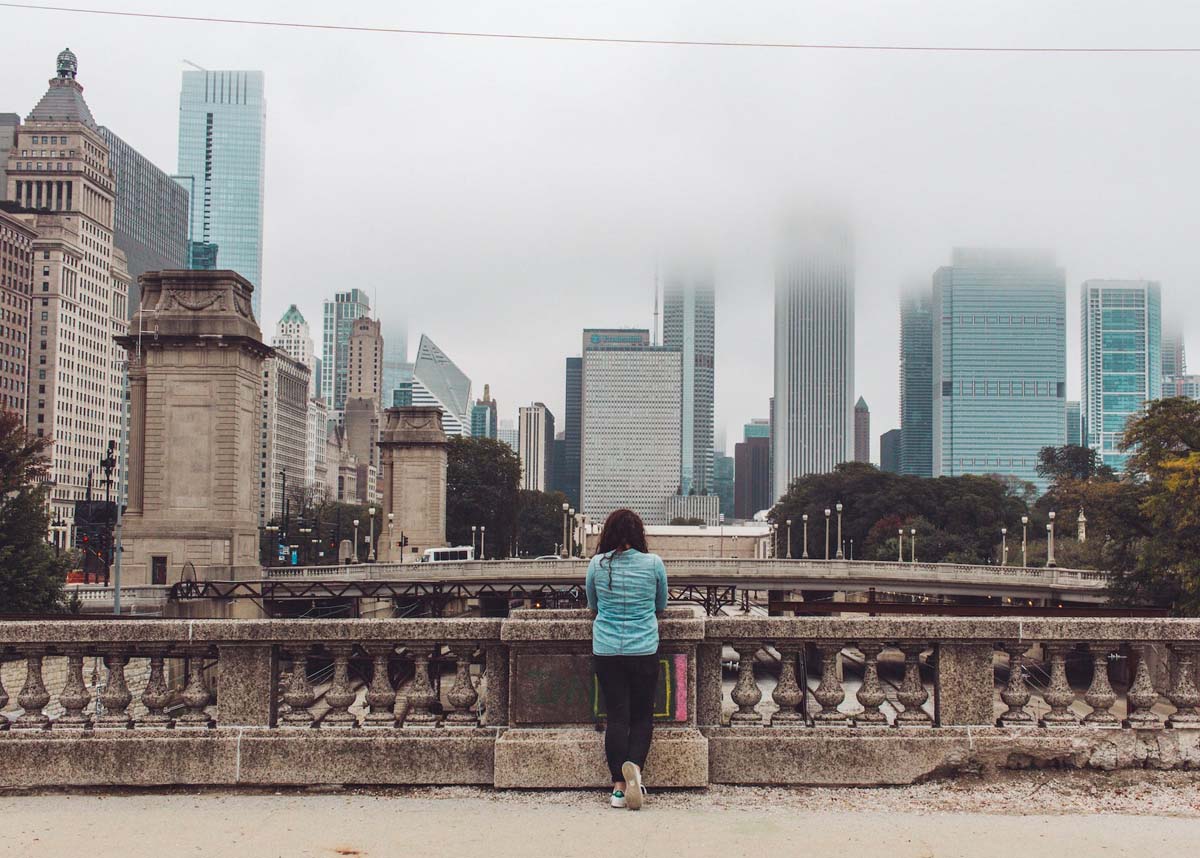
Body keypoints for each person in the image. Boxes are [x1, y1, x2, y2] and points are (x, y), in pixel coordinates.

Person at [585, 508, 668, 810]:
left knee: (616, 717)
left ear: (608, 533)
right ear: (638, 534)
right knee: (642, 716)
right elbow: (661, 605)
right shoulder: (654, 564)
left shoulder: (596, 564)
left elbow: (592, 605)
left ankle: (619, 789)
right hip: (643, 648)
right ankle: (634, 766)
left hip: (607, 649)